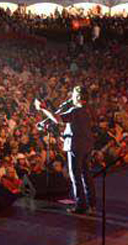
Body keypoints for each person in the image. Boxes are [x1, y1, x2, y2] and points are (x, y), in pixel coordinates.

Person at [34, 85, 95, 214]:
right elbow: (79, 128)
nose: (71, 97)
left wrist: (43, 108)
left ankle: (81, 205)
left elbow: (57, 120)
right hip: (86, 145)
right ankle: (91, 204)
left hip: (76, 146)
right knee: (86, 175)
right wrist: (66, 136)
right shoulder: (88, 110)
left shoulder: (75, 111)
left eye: (73, 94)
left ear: (77, 97)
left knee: (75, 176)